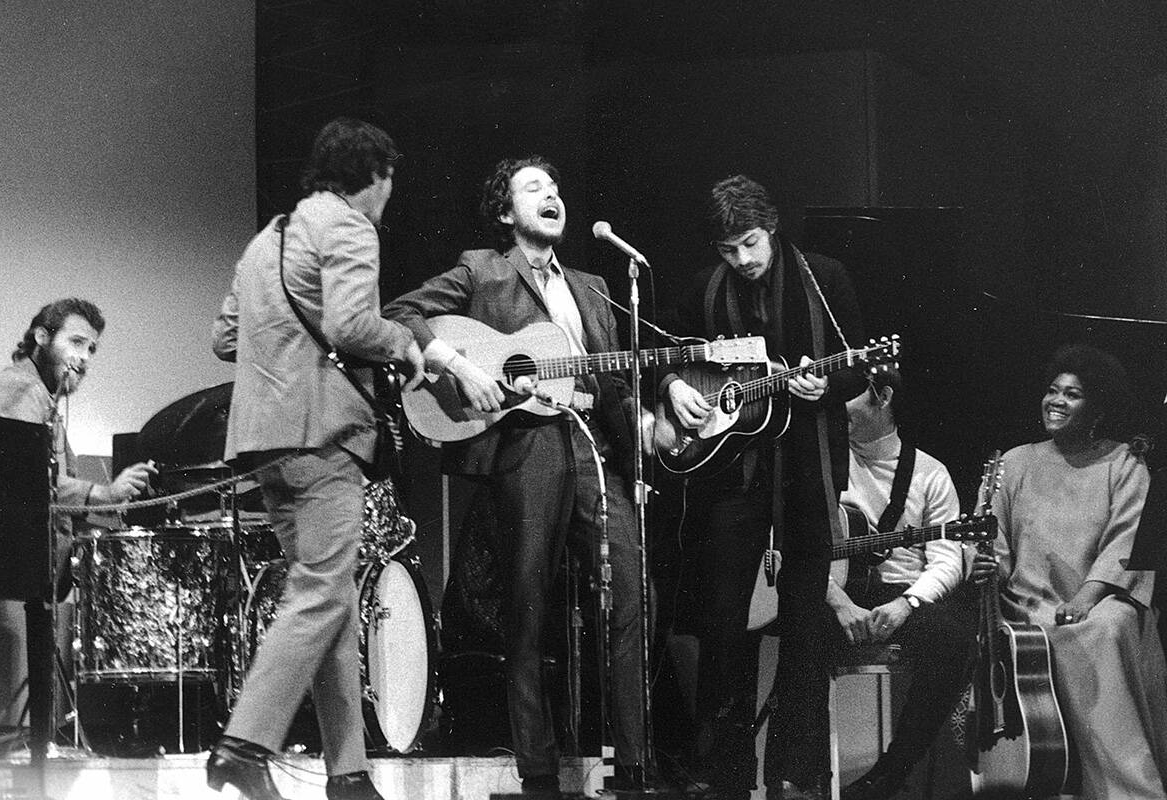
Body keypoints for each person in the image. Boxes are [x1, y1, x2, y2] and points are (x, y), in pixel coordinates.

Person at [383, 156, 649, 799]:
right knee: (528, 604)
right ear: (506, 212)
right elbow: (402, 312)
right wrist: (462, 367)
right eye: (534, 188)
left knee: (632, 587)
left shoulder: (591, 285)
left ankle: (635, 766)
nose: (552, 194)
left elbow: (611, 378)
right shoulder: (483, 268)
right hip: (525, 445)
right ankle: (539, 772)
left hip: (588, 444)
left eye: (556, 187)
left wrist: (644, 417)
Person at [208, 118, 423, 800]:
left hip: (263, 442)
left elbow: (224, 338)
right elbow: (352, 325)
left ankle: (348, 772)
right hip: (323, 435)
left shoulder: (265, 239)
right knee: (324, 591)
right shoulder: (351, 226)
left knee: (328, 599)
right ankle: (243, 745)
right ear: (378, 176)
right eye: (390, 184)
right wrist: (407, 343)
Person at [658, 174, 864, 800]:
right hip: (730, 479)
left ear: (771, 226)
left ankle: (792, 779)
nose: (741, 261)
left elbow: (860, 368)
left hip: (807, 473)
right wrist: (675, 389)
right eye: (727, 250)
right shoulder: (706, 287)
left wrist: (823, 388)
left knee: (805, 625)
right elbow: (669, 353)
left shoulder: (824, 276)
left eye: (749, 243)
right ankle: (726, 779)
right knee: (725, 629)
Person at [971, 344, 1167, 799]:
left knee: (1108, 626)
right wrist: (985, 566)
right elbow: (989, 538)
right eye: (1052, 390)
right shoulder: (1014, 462)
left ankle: (1128, 790)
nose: (1056, 400)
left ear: (1097, 407)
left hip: (1097, 603)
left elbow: (1127, 544)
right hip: (1024, 607)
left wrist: (1084, 600)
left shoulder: (1125, 464)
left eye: (1073, 394)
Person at [824, 368, 973, 800]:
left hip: (898, 591)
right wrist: (838, 603)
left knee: (952, 635)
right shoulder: (824, 459)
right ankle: (807, 775)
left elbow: (947, 559)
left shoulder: (930, 473)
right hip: (833, 591)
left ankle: (893, 769)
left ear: (883, 397)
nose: (838, 405)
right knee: (801, 629)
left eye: (850, 395)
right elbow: (801, 543)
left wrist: (906, 604)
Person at [0, 298, 158, 573]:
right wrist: (105, 494)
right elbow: (26, 480)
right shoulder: (17, 388)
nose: (85, 357)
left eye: (91, 348)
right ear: (42, 337)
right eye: (77, 342)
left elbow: (51, 498)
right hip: (6, 577)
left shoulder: (42, 398)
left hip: (23, 575)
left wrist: (113, 506)